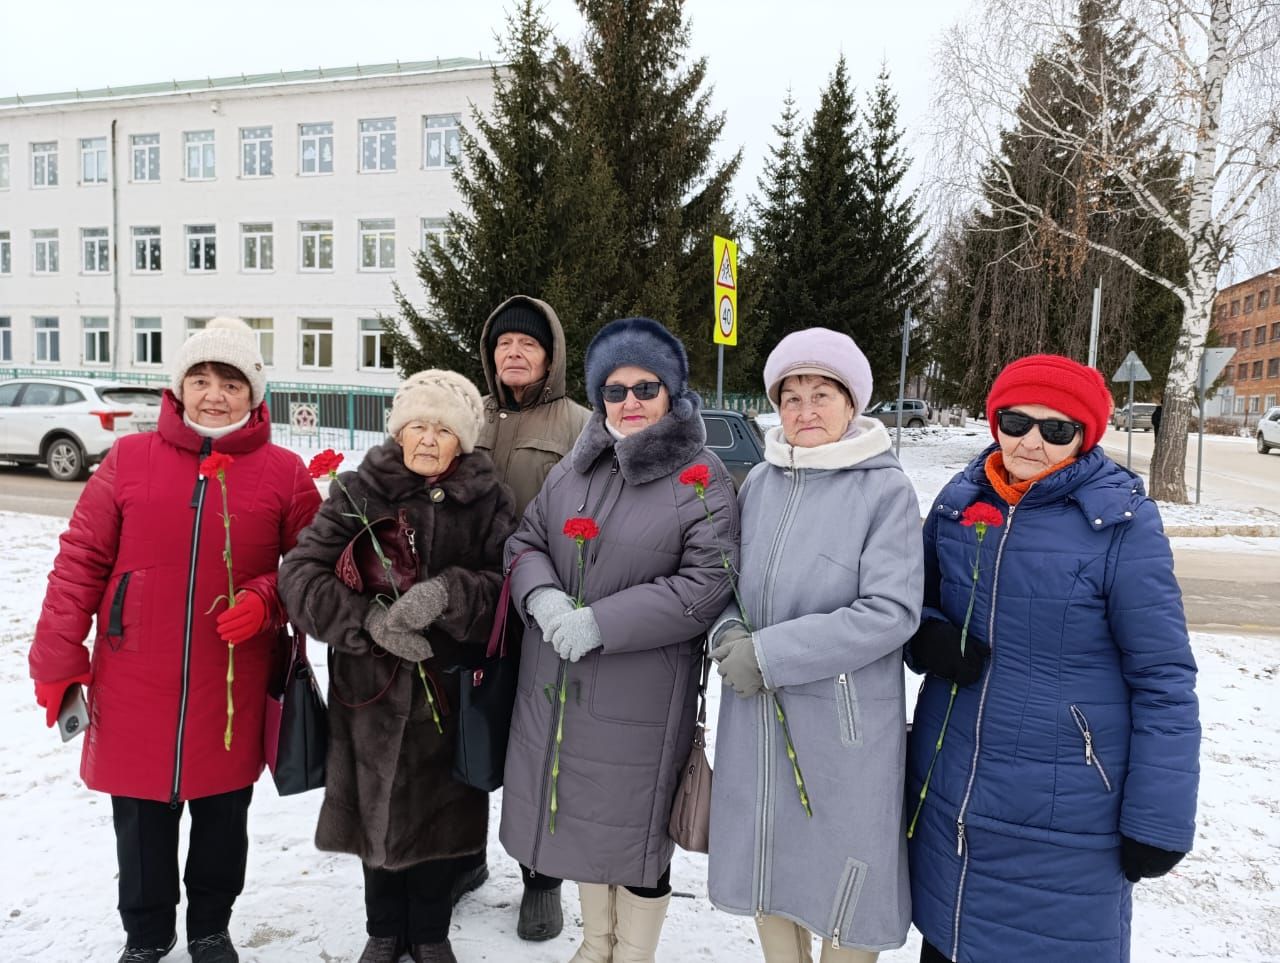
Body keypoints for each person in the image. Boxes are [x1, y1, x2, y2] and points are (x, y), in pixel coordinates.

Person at [28, 317, 321, 963]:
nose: (215, 394)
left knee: (222, 817)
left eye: (231, 381)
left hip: (231, 681)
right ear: (179, 386)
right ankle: (147, 931)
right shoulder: (129, 459)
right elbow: (80, 559)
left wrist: (266, 598)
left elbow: (311, 568)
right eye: (201, 378)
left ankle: (211, 927)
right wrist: (56, 657)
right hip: (134, 677)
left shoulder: (283, 471)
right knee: (140, 822)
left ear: (254, 393)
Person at [906, 354, 1200, 962]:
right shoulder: (958, 504)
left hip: (1065, 818)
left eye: (1056, 429)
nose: (1031, 442)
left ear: (1084, 437)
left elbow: (1163, 679)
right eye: (1015, 422)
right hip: (952, 801)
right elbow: (912, 603)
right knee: (946, 942)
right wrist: (928, 635)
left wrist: (1159, 821)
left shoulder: (1121, 524)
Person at [499, 317, 738, 963]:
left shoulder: (699, 475)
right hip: (556, 687)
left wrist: (602, 621)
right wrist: (542, 595)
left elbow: (708, 581)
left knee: (633, 837)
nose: (628, 401)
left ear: (673, 393)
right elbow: (524, 541)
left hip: (640, 695)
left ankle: (630, 952)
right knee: (578, 821)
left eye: (645, 386)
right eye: (614, 389)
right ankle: (595, 943)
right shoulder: (575, 467)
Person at [278, 370, 516, 963]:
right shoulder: (359, 492)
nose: (429, 439)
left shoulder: (489, 500)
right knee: (373, 812)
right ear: (398, 430)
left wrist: (450, 597)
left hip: (447, 687)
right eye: (418, 425)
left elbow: (506, 589)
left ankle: (431, 932)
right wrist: (369, 623)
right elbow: (300, 575)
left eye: (444, 429)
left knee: (441, 813)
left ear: (463, 439)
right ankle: (383, 930)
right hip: (370, 692)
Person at [706, 327, 923, 962]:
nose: (804, 411)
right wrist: (727, 634)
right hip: (758, 717)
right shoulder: (760, 485)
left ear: (852, 404)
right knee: (767, 858)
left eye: (821, 394)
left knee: (848, 868)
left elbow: (891, 611)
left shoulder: (884, 489)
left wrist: (770, 656)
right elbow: (729, 583)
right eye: (790, 396)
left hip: (843, 725)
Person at [456, 295, 590, 940]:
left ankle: (541, 877)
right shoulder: (465, 416)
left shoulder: (580, 426)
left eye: (528, 344)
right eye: (504, 343)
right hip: (468, 610)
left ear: (551, 356)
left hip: (541, 607)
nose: (514, 353)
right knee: (463, 733)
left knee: (539, 745)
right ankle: (460, 858)